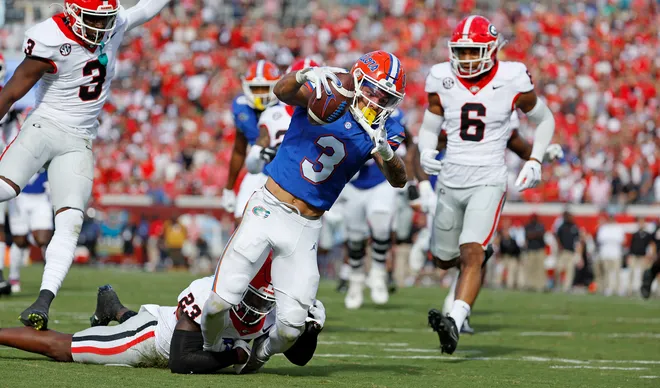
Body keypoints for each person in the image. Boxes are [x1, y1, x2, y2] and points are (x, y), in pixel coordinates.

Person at [201, 50, 408, 374]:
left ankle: (259, 355)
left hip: (306, 227)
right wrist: (301, 76)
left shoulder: (382, 126)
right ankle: (210, 352)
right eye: (372, 90)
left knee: (291, 328)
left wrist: (384, 149)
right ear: (357, 78)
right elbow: (281, 92)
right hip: (268, 207)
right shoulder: (331, 91)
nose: (377, 100)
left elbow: (398, 179)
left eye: (386, 96)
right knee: (217, 304)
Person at [0, 0, 173, 330]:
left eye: (105, 19)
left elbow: (146, 10)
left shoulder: (112, 25)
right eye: (93, 19)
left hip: (79, 140)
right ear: (73, 14)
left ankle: (43, 300)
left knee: (71, 222)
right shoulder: (51, 38)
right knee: (5, 189)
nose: (101, 28)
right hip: (45, 128)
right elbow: (9, 94)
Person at [418, 15, 555, 354]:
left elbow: (545, 119)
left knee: (471, 253)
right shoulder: (440, 78)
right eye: (461, 52)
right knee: (443, 259)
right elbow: (429, 126)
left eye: (472, 51)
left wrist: (536, 159)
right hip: (450, 178)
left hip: (489, 178)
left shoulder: (512, 78)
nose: (465, 59)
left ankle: (456, 319)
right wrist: (424, 150)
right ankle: (474, 263)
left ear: (492, 50)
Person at [0, 257, 326, 373]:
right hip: (157, 338)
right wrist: (232, 356)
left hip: (183, 336)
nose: (256, 305)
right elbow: (180, 361)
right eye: (251, 296)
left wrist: (306, 330)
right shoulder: (207, 291)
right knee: (62, 348)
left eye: (264, 300)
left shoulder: (280, 302)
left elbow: (297, 356)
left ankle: (114, 308)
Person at [221, 60, 281, 224]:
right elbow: (239, 150)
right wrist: (228, 187)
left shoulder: (288, 107)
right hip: (259, 171)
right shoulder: (241, 108)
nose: (261, 94)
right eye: (256, 89)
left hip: (284, 174)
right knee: (240, 221)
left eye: (265, 88)